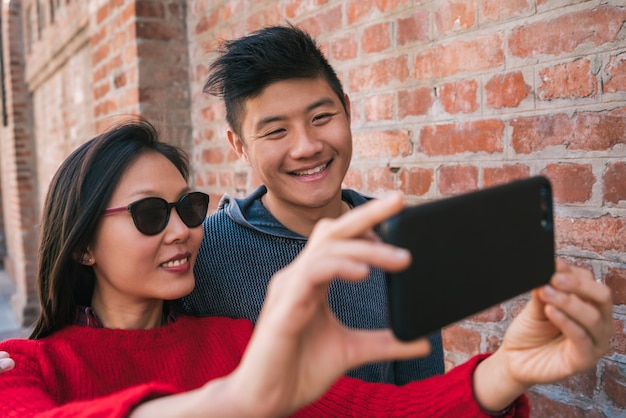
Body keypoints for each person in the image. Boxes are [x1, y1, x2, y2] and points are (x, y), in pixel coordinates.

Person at [0, 119, 613, 417]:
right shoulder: (28, 368)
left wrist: (508, 369)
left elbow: (381, 414)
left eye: (188, 207)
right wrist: (241, 401)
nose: (183, 228)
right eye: (150, 214)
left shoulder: (238, 341)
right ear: (82, 244)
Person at [178, 24, 444, 384]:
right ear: (239, 146)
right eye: (275, 131)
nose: (306, 147)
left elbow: (424, 394)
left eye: (321, 118)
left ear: (347, 110)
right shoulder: (204, 254)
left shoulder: (400, 239)